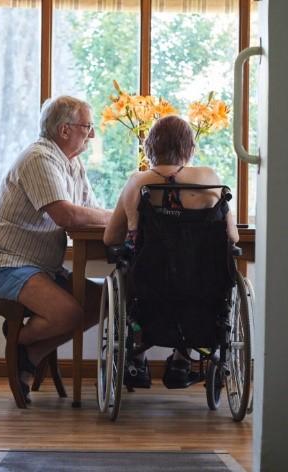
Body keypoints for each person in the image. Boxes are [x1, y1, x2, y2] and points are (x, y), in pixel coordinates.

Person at [0, 95, 112, 402]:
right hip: (1, 261)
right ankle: (16, 341)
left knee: (103, 301)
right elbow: (67, 215)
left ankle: (27, 353)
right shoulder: (39, 158)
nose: (92, 134)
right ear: (64, 130)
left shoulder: (72, 163)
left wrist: (113, 217)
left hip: (37, 265)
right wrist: (116, 217)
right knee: (69, 313)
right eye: (87, 127)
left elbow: (88, 211)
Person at [103, 115, 239, 389]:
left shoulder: (136, 182)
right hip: (203, 285)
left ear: (148, 148)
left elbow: (110, 237)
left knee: (147, 273)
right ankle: (181, 360)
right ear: (190, 148)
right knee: (192, 273)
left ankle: (138, 356)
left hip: (151, 285)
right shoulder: (208, 179)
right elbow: (232, 237)